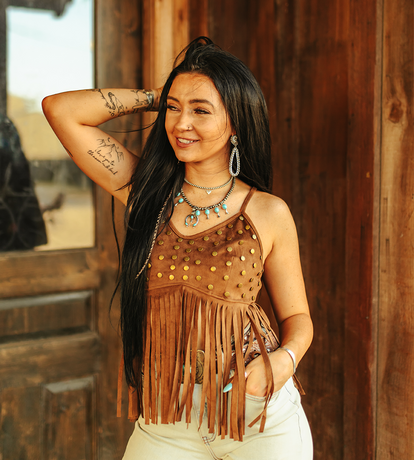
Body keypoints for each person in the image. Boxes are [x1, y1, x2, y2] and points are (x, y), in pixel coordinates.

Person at [42, 36, 313, 460]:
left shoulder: (267, 211)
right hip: (168, 420)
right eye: (174, 109)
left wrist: (285, 360)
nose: (180, 123)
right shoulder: (145, 193)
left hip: (258, 418)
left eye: (200, 110)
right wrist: (160, 95)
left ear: (236, 122)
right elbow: (61, 110)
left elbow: (298, 317)